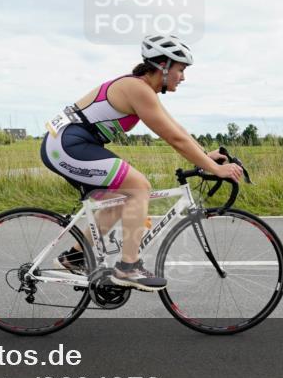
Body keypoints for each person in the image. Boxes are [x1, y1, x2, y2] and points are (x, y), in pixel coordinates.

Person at [40, 35, 243, 291]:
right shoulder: (137, 89)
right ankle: (128, 267)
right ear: (164, 67)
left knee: (124, 197)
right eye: (180, 70)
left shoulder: (143, 90)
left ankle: (75, 256)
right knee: (138, 187)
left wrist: (205, 155)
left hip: (71, 144)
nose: (183, 77)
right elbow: (174, 138)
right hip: (66, 146)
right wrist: (214, 168)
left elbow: (176, 128)